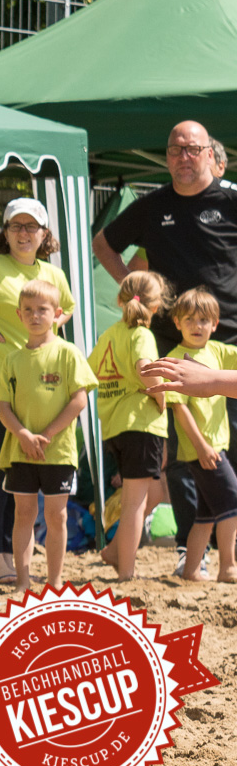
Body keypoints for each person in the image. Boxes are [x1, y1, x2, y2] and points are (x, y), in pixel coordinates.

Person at [96, 120, 237, 570]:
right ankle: (187, 552)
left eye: (191, 149)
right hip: (173, 349)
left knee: (223, 454)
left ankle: (138, 545)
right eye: (174, 150)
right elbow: (103, 244)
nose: (182, 157)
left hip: (230, 341)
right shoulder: (153, 206)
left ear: (211, 154)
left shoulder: (231, 200)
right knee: (185, 459)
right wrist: (136, 293)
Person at [0, 197, 75, 585]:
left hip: (42, 400)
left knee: (22, 489)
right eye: (17, 226)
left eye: (32, 227)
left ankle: (12, 561)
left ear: (45, 235)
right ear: (5, 233)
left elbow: (68, 308)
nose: (24, 233)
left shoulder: (52, 275)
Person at [0, 279, 97, 594]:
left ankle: (54, 582)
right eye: (28, 310)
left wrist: (47, 434)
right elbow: (2, 406)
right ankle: (23, 581)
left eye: (42, 309)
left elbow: (79, 400)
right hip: (20, 451)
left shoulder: (67, 353)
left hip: (58, 451)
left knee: (57, 515)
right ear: (19, 314)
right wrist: (24, 434)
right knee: (23, 514)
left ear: (57, 314)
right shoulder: (12, 359)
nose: (35, 315)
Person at [91, 271, 170, 582]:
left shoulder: (110, 333)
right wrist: (162, 399)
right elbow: (146, 369)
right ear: (156, 305)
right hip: (141, 425)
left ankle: (113, 550)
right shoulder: (142, 335)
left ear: (119, 299)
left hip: (115, 427)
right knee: (135, 502)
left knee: (156, 490)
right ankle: (126, 572)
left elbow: (90, 371)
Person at [157, 288, 237, 583]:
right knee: (233, 503)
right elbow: (180, 411)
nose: (197, 325)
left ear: (215, 324)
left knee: (205, 514)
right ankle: (228, 567)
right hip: (203, 449)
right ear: (176, 322)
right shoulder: (175, 360)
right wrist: (202, 446)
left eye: (204, 319)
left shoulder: (218, 351)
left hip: (216, 446)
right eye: (189, 319)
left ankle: (191, 569)